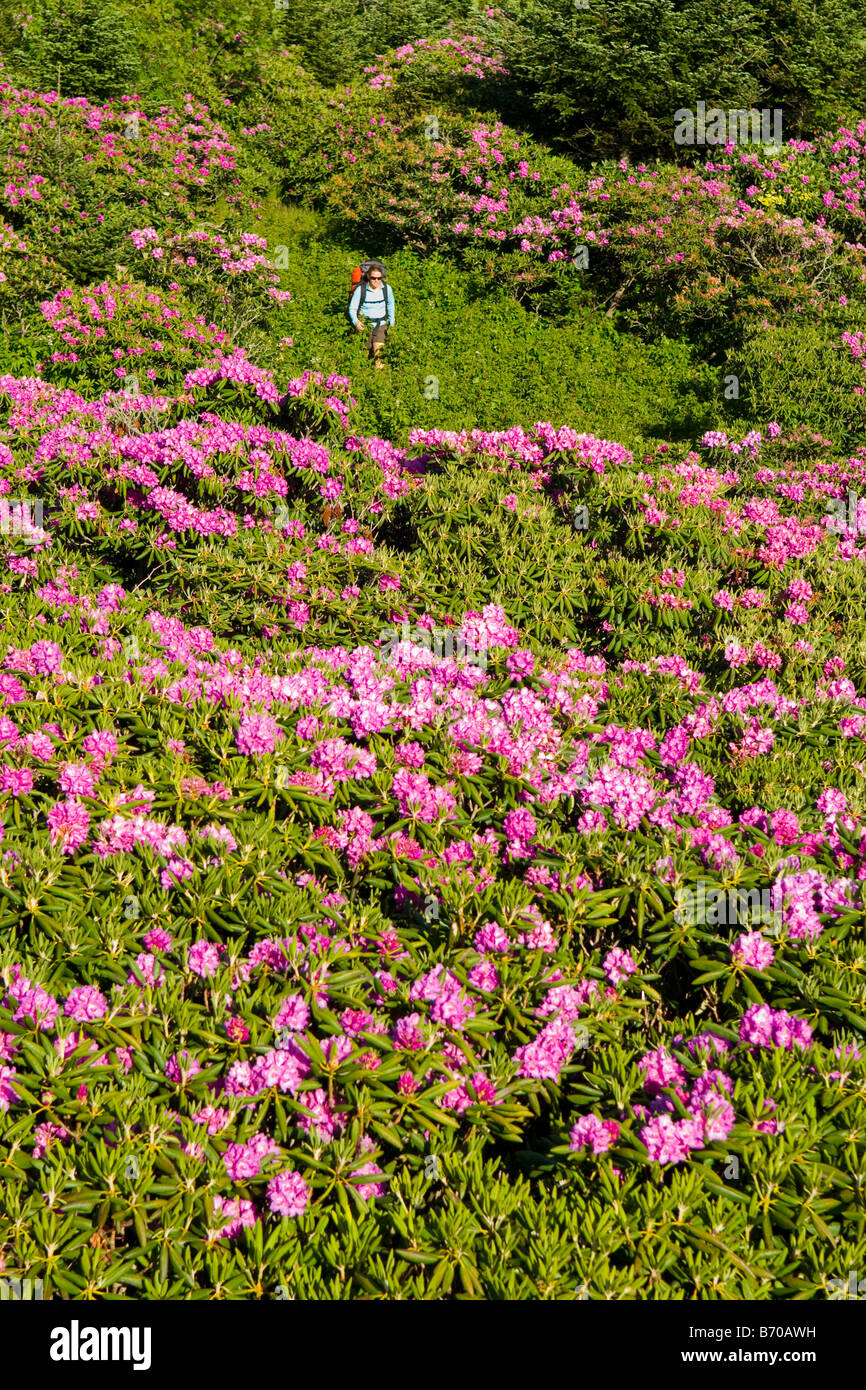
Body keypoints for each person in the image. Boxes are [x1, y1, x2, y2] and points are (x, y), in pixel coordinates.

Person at [348, 263, 395, 369]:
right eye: (373, 278)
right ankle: (363, 377)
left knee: (380, 356)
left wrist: (392, 323)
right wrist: (356, 322)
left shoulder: (387, 289)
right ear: (369, 277)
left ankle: (381, 380)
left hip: (381, 325)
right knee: (363, 356)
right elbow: (352, 308)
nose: (376, 281)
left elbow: (391, 305)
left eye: (379, 278)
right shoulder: (361, 290)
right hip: (365, 326)